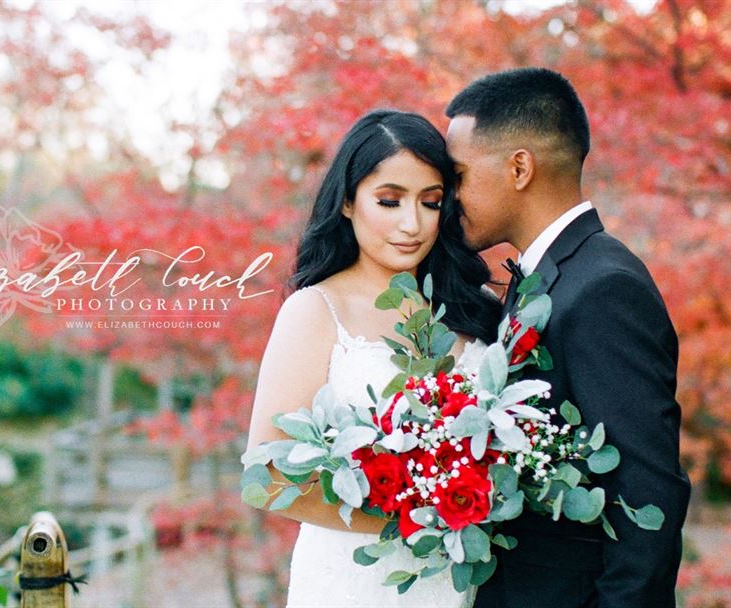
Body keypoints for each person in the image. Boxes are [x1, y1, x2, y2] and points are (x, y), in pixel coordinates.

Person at [444, 67, 691, 608]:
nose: (449, 197)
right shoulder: (543, 278)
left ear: (519, 168)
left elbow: (650, 492)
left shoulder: (604, 288)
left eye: (459, 175)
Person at [244, 109, 502, 607]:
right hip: (355, 582)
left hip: (464, 583)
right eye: (389, 201)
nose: (412, 224)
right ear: (347, 201)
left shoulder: (480, 309)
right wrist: (422, 517)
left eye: (431, 202)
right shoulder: (315, 310)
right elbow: (266, 480)